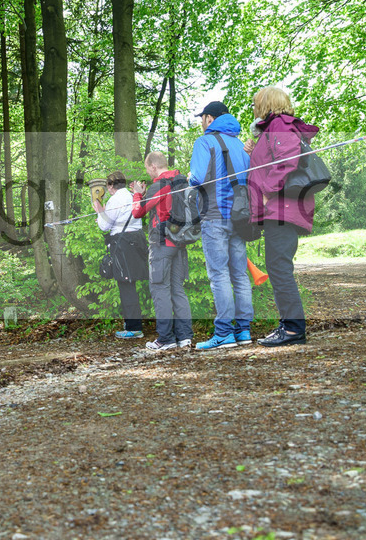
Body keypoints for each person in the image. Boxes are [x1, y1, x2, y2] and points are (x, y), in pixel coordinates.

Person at [247, 86, 317, 347]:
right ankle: (290, 325)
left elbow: (287, 159)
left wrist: (266, 192)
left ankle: (292, 329)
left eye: (256, 103)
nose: (254, 107)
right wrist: (253, 151)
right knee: (278, 267)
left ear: (266, 103)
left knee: (278, 267)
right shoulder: (275, 128)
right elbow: (273, 159)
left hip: (281, 209)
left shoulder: (280, 124)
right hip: (281, 210)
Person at [189, 101, 255, 350]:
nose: (201, 122)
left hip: (214, 216)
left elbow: (196, 177)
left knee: (219, 275)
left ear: (209, 118)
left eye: (202, 118)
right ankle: (243, 331)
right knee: (239, 274)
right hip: (239, 218)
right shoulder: (240, 145)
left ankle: (224, 333)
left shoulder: (204, 143)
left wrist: (190, 178)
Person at [131, 151, 193, 351]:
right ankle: (184, 337)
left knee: (160, 289)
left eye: (148, 169)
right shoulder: (181, 180)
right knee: (177, 289)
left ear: (153, 166)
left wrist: (138, 193)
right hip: (180, 242)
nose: (148, 174)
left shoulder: (159, 184)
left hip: (161, 243)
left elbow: (137, 212)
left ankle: (166, 339)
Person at [93, 170, 144, 340]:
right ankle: (132, 324)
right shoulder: (131, 195)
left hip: (123, 244)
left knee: (126, 285)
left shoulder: (116, 199)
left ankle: (133, 327)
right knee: (131, 283)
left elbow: (104, 226)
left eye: (108, 187)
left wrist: (100, 210)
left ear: (110, 186)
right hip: (136, 241)